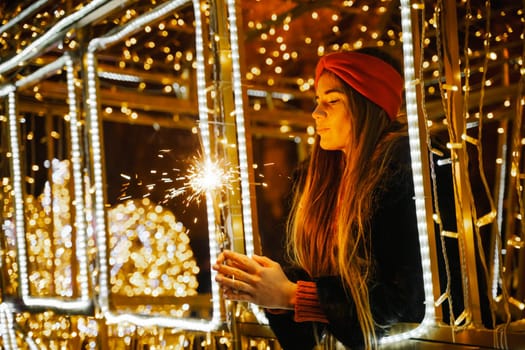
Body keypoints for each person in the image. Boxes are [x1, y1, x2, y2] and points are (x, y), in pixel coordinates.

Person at [213, 48, 425, 349]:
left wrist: (291, 294)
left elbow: (405, 300)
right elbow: (332, 281)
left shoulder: (403, 172)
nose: (317, 112)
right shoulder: (325, 181)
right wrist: (266, 286)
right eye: (317, 101)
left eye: (333, 101)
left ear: (368, 104)